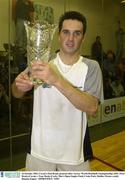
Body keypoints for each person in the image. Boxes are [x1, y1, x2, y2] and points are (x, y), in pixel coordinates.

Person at [12, 11, 103, 171]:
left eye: (77, 33)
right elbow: (16, 92)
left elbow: (92, 107)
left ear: (83, 37)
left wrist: (56, 79)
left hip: (75, 157)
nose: (70, 39)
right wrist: (19, 86)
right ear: (59, 35)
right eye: (66, 32)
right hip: (38, 153)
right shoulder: (41, 62)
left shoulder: (91, 67)